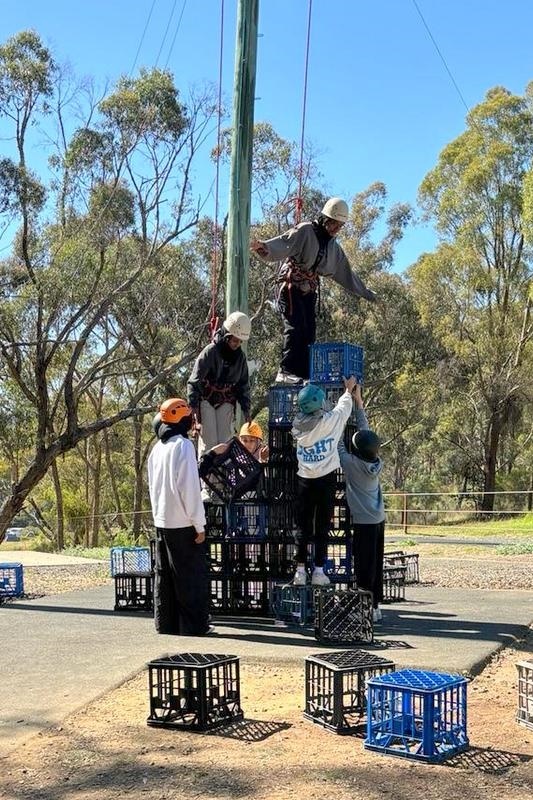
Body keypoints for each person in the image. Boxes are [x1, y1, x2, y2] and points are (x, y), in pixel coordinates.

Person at [250, 198, 377, 383]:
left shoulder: (333, 248)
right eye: (334, 223)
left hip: (309, 290)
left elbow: (346, 274)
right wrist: (264, 247)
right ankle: (286, 370)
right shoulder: (305, 231)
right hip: (291, 286)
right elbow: (284, 242)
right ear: (325, 218)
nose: (336, 229)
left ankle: (302, 374)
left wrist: (367, 294)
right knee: (295, 327)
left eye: (340, 226)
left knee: (309, 331)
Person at [147, 397, 212, 636]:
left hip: (162, 523)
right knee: (190, 579)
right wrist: (199, 524)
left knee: (164, 578)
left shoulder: (157, 449)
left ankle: (166, 624)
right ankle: (193, 627)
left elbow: (152, 488)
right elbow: (190, 489)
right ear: (183, 419)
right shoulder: (183, 446)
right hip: (183, 523)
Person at [291, 376, 357, 585]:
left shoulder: (298, 425)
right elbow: (344, 407)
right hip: (326, 479)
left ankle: (300, 571)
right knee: (322, 526)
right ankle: (319, 571)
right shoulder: (331, 421)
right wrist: (348, 390)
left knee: (302, 526)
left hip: (304, 479)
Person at [338, 382, 385, 623]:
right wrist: (359, 404)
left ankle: (365, 609)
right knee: (376, 565)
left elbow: (336, 442)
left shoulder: (352, 466)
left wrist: (339, 407)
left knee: (363, 567)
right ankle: (375, 605)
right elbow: (366, 433)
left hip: (364, 524)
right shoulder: (375, 462)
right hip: (379, 520)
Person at [187, 311, 252, 458]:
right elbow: (194, 382)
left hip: (226, 401)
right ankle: (206, 479)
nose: (237, 344)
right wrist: (194, 411)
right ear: (227, 336)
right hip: (206, 400)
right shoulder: (211, 351)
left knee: (225, 444)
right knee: (210, 444)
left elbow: (243, 385)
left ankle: (222, 480)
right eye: (235, 340)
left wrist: (246, 410)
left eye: (240, 341)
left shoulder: (240, 358)